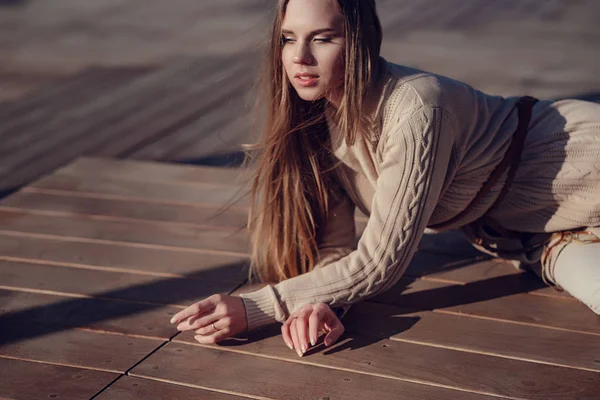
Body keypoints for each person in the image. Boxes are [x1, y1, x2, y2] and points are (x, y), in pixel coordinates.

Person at [170, 0, 600, 358]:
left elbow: (380, 263)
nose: (299, 56)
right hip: (536, 238)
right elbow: (339, 249)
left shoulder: (416, 108)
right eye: (288, 38)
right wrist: (323, 300)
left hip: (584, 162)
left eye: (322, 38)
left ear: (361, 40)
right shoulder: (319, 120)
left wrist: (258, 306)